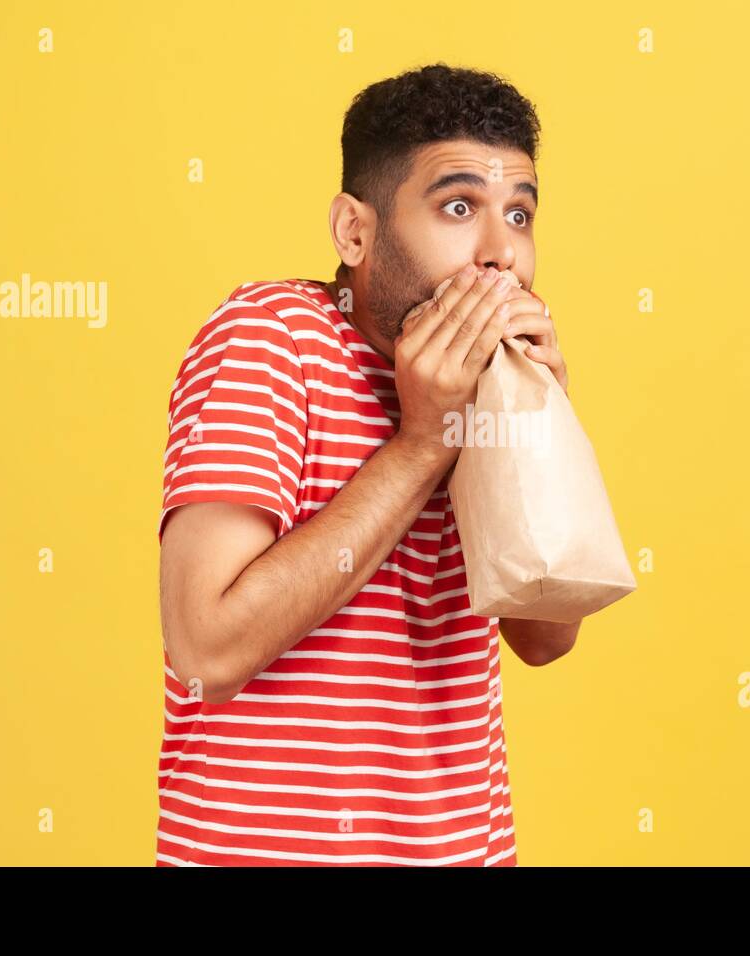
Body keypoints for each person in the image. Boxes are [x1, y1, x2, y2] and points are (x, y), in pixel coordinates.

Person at [155, 63, 576, 866]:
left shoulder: (496, 383)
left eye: (519, 215)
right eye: (459, 208)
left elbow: (546, 636)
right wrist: (423, 444)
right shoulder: (270, 339)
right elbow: (206, 649)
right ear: (355, 231)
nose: (501, 256)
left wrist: (536, 437)